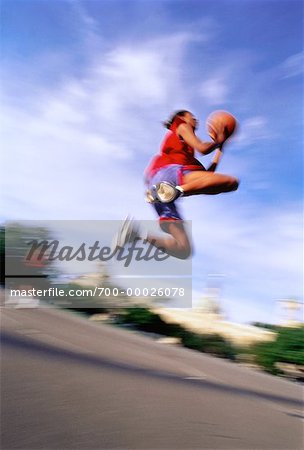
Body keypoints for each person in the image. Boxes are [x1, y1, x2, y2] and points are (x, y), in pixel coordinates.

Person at [115, 110, 239, 259]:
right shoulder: (181, 125)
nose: (195, 120)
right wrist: (218, 140)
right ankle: (176, 190)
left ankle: (136, 235)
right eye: (192, 117)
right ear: (181, 117)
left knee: (183, 249)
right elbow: (202, 148)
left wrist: (220, 148)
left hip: (156, 187)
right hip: (169, 173)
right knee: (232, 182)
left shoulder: (185, 152)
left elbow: (208, 178)